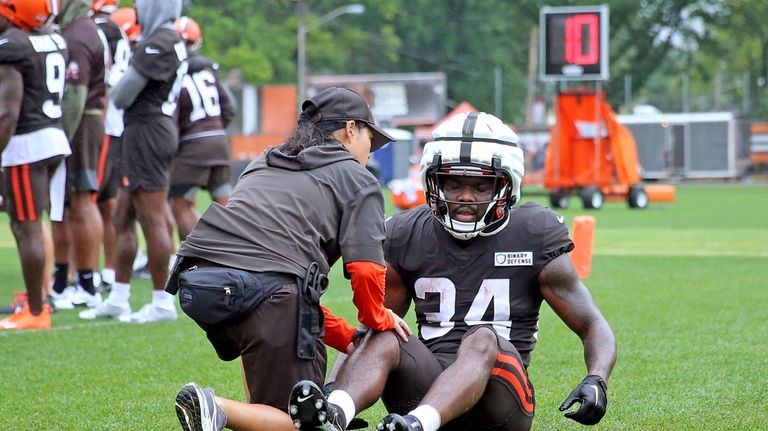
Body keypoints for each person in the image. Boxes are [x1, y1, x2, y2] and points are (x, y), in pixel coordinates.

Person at [288, 111, 618, 431]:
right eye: (453, 184)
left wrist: (597, 378)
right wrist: (333, 387)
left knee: (482, 336)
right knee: (386, 328)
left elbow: (591, 324)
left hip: (500, 403)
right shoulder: (408, 232)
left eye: (480, 186)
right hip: (424, 387)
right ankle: (335, 416)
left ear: (507, 185)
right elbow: (369, 329)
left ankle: (419, 425)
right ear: (433, 183)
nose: (464, 197)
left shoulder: (534, 231)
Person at [169, 86, 411, 431]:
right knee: (305, 422)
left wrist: (346, 336)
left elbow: (277, 281)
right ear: (351, 129)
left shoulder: (264, 161)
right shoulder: (358, 180)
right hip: (262, 295)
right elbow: (366, 270)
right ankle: (214, 407)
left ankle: (241, 411)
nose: (370, 152)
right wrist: (377, 318)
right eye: (371, 139)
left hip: (203, 284)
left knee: (268, 403)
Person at [79, 0, 186, 323]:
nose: (137, 13)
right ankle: (119, 296)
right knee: (123, 216)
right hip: (141, 130)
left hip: (148, 130)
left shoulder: (159, 42)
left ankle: (161, 303)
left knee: (151, 218)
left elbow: (123, 95)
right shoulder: (167, 39)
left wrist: (117, 76)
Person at [0, 0, 71, 330]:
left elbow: (7, 112)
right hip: (52, 137)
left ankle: (36, 310)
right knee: (24, 223)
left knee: (27, 226)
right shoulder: (51, 39)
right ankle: (35, 299)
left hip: (26, 144)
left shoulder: (13, 45)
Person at [48, 0, 107, 310]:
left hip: (81, 122)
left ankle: (86, 283)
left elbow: (75, 95)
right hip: (84, 120)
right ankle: (65, 280)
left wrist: (62, 139)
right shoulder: (79, 29)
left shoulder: (79, 34)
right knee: (68, 203)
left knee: (82, 200)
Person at [169, 16, 236, 242]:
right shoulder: (208, 69)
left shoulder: (173, 71)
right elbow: (229, 108)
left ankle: (203, 254)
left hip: (192, 146)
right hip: (218, 142)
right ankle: (236, 256)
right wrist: (215, 130)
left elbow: (172, 115)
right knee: (226, 208)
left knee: (180, 206)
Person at [90, 0, 130, 291]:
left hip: (106, 125)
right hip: (120, 126)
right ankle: (106, 270)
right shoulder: (118, 30)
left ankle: (87, 275)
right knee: (107, 203)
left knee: (87, 201)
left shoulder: (101, 30)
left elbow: (106, 83)